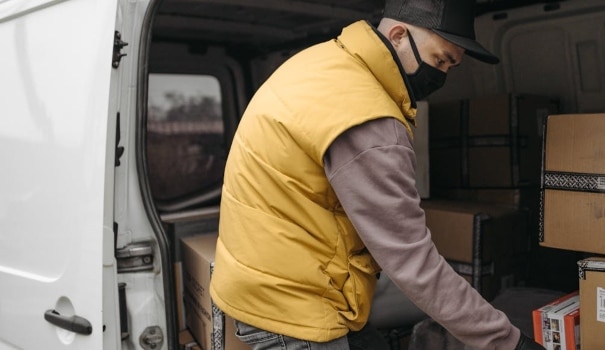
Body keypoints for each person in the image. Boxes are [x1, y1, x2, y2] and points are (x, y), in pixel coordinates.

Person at [210, 0, 545, 349]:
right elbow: (411, 261)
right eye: (440, 60)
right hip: (294, 308)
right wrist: (508, 342)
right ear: (398, 35)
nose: (443, 75)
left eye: (451, 66)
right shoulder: (367, 117)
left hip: (265, 280)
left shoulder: (323, 62)